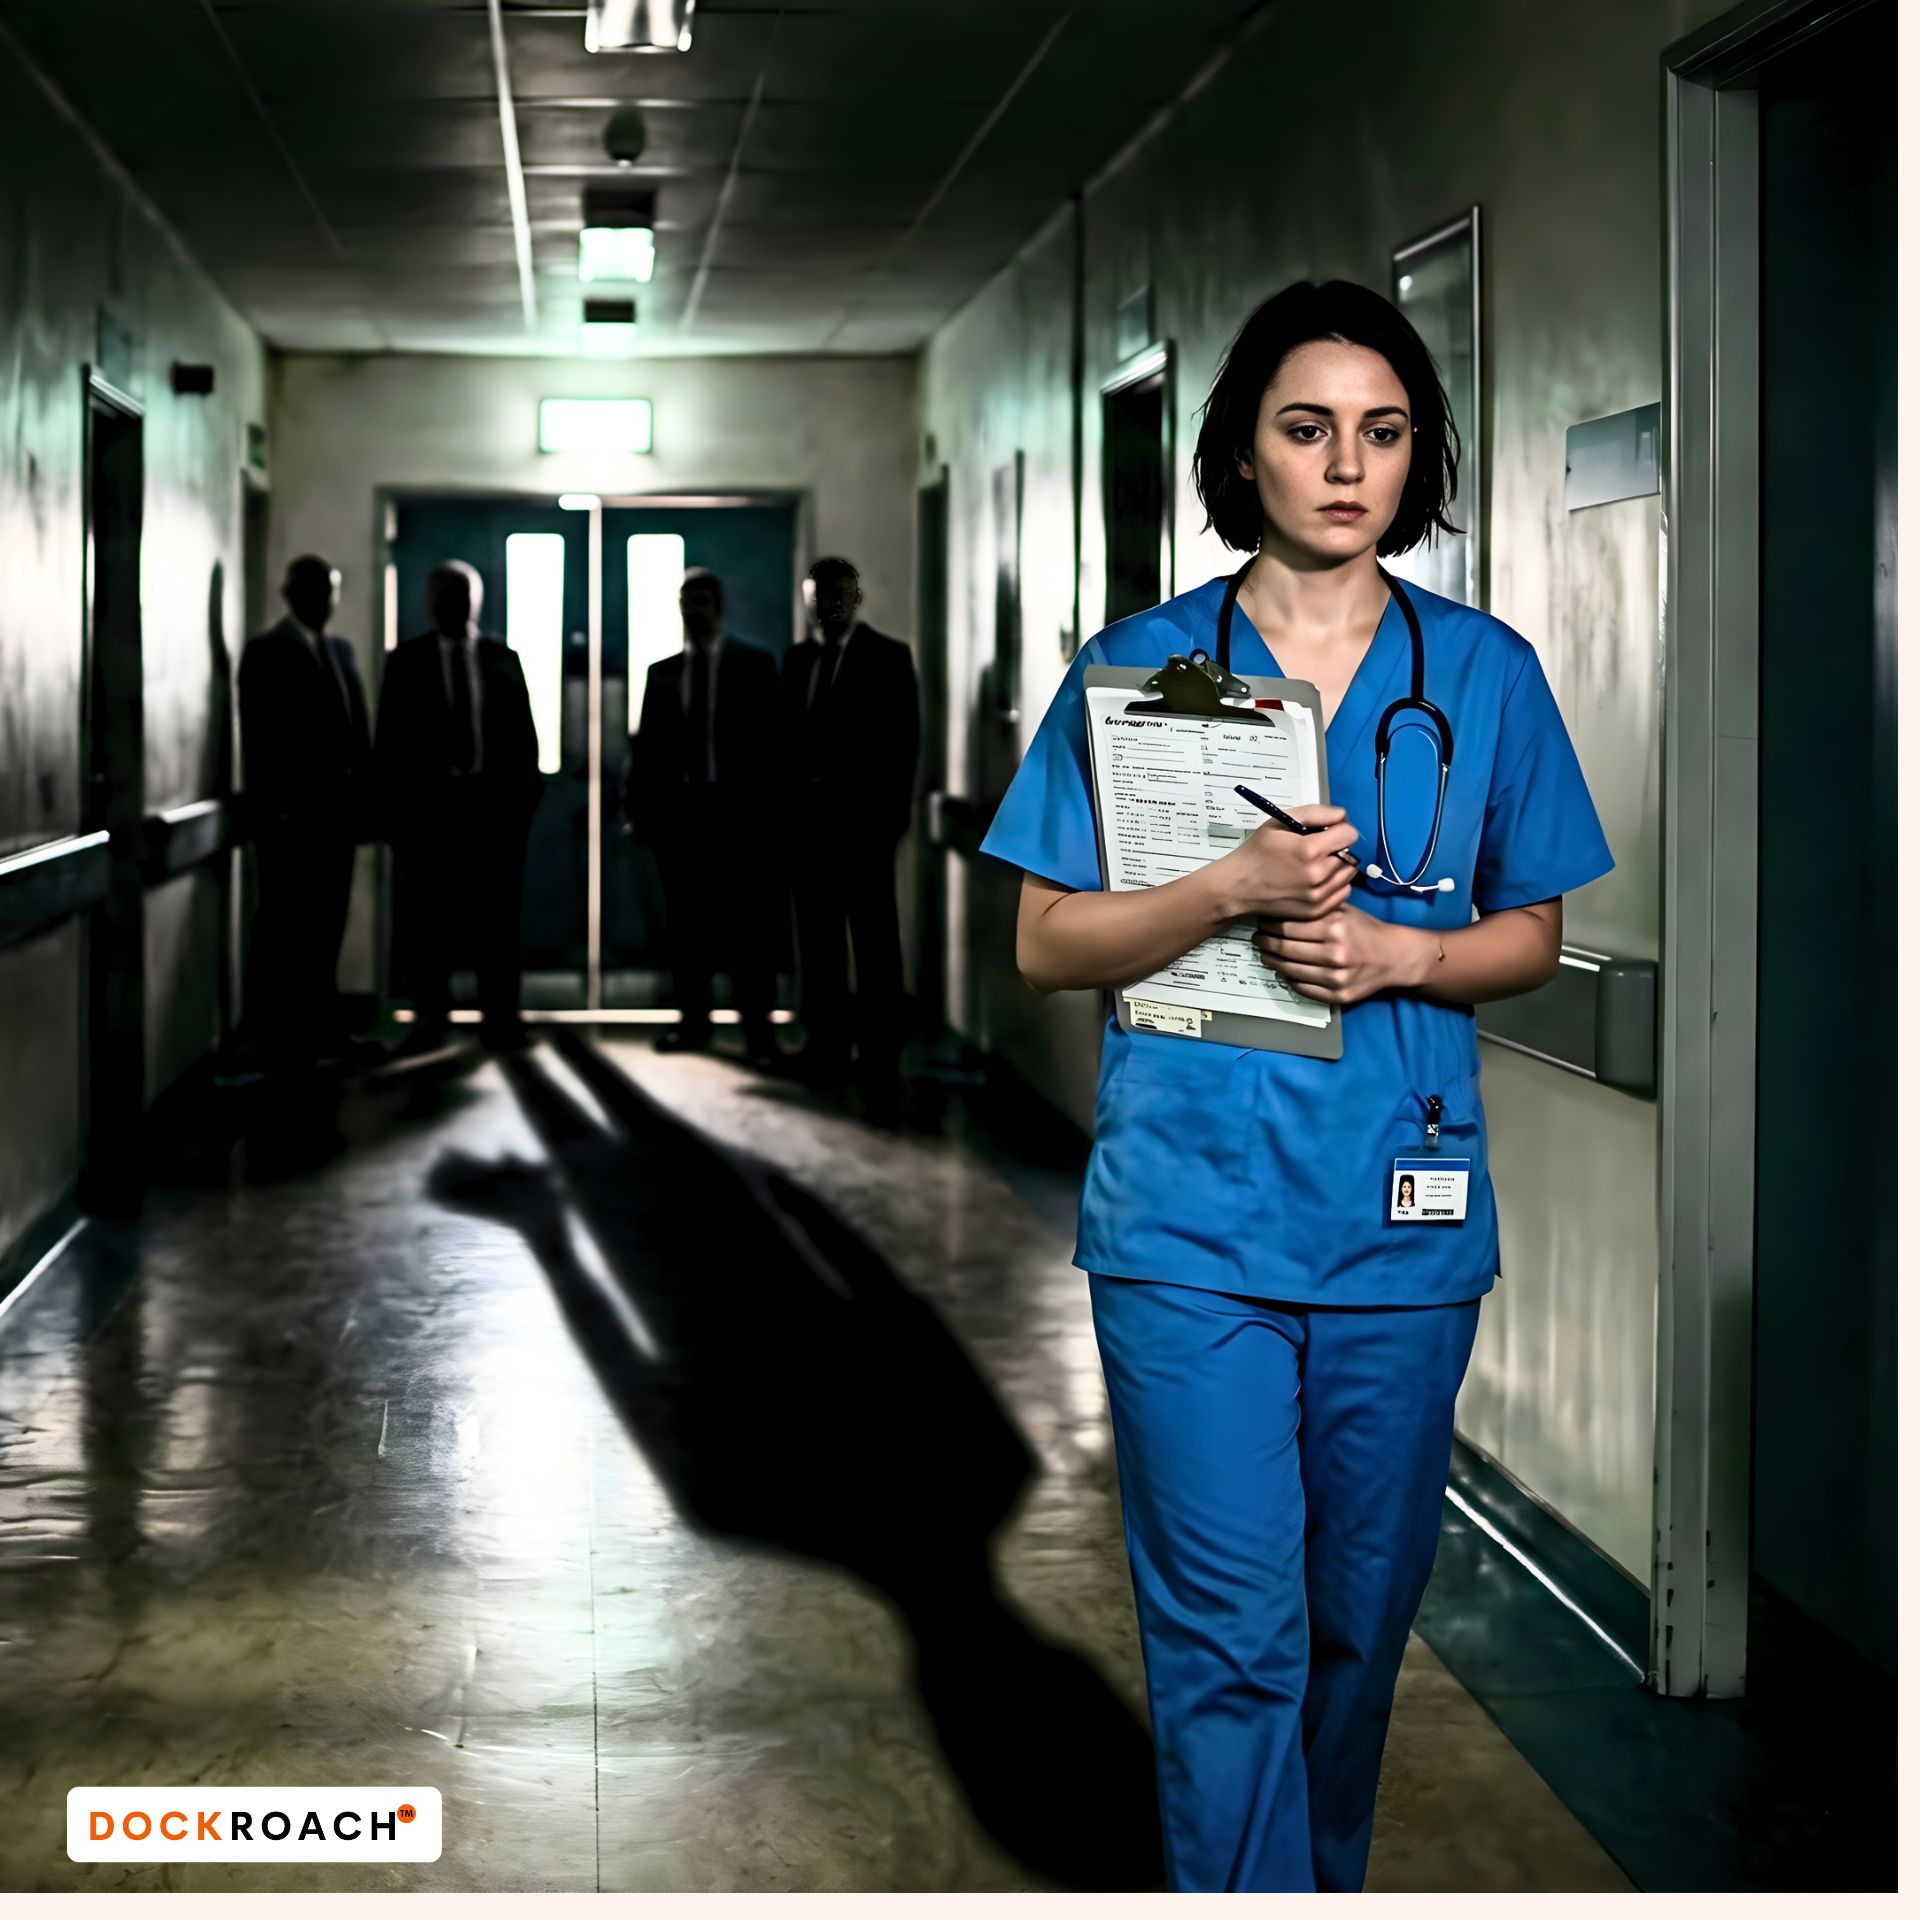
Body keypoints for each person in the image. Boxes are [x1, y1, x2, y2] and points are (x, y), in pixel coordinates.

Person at [979, 280, 1613, 1894]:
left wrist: (1405, 961)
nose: (1348, 466)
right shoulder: (1140, 669)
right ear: (1243, 455)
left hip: (1401, 1229)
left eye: (1384, 433)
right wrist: (1230, 889)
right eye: (1308, 428)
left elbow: (1533, 930)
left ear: (1420, 461)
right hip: (1189, 1230)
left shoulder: (1485, 674)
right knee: (1231, 1646)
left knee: (1351, 1637)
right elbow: (1050, 944)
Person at [375, 560, 540, 1053]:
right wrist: (395, 820)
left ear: (478, 601)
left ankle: (501, 1017)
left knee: (499, 921)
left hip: (494, 813)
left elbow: (524, 739)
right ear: (429, 601)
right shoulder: (406, 661)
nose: (455, 603)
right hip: (430, 815)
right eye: (445, 594)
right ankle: (430, 1017)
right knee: (429, 923)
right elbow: (388, 745)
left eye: (463, 594)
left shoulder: (502, 657)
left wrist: (522, 806)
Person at [623, 567, 781, 1063]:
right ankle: (694, 1024)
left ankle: (759, 1031)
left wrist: (771, 820)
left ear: (720, 607)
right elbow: (647, 749)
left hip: (738, 819)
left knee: (748, 931)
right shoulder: (663, 672)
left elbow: (773, 751)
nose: (694, 611)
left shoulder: (753, 665)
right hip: (682, 818)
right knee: (688, 928)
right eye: (686, 601)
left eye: (702, 601)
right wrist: (640, 812)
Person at [780, 557, 920, 1111]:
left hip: (864, 830)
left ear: (856, 598)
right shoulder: (797, 661)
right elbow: (784, 745)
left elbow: (903, 746)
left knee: (875, 945)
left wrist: (890, 822)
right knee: (817, 945)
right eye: (819, 597)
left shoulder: (888, 657)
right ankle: (827, 1048)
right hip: (808, 831)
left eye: (838, 596)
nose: (828, 606)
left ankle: (880, 1059)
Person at [237, 553, 373, 1067]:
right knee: (282, 926)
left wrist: (365, 804)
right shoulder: (267, 652)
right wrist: (276, 810)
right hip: (292, 821)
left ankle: (322, 1029)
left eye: (331, 590)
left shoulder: (339, 651)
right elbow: (262, 737)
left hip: (337, 818)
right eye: (316, 591)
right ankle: (274, 1037)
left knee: (326, 926)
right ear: (291, 595)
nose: (325, 600)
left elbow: (356, 732)